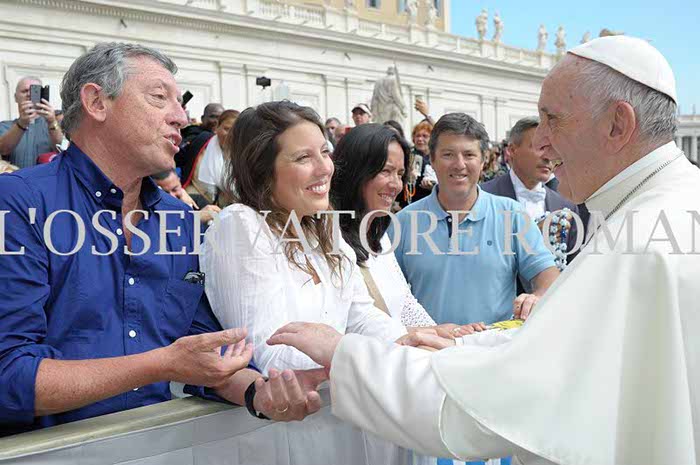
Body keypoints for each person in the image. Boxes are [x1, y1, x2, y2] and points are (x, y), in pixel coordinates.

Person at [268, 35, 700, 465]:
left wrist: (346, 356)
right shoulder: (662, 210)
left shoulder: (637, 244)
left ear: (617, 125)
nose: (541, 142)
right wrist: (458, 344)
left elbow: (505, 398)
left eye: (552, 119)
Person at [0, 43, 312, 436]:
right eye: (159, 98)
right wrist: (160, 364)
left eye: (180, 103)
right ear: (96, 102)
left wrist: (261, 392)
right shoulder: (19, 202)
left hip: (161, 447)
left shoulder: (178, 220)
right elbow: (9, 376)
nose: (180, 117)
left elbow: (201, 346)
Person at [201, 101, 409, 464]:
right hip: (286, 438)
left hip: (343, 422)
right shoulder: (240, 225)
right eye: (303, 158)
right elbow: (268, 350)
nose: (324, 168)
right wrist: (360, 356)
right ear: (263, 170)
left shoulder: (324, 224)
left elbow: (361, 314)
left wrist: (406, 343)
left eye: (325, 152)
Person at [392, 112, 559, 326]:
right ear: (432, 160)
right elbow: (385, 295)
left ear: (483, 160)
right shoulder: (403, 223)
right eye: (448, 154)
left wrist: (538, 296)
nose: (459, 164)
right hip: (428, 345)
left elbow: (547, 275)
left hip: (493, 344)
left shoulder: (512, 215)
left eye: (469, 155)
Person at [481, 117, 581, 267]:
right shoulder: (483, 197)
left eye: (552, 148)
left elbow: (573, 268)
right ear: (512, 150)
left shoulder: (567, 206)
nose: (548, 157)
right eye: (540, 147)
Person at [0, 77, 64, 169]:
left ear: (42, 95)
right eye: (25, 91)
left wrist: (52, 122)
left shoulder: (55, 125)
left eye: (35, 91)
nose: (29, 94)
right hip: (14, 177)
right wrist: (21, 123)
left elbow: (64, 150)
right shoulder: (4, 126)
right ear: (15, 97)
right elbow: (3, 150)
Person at [191, 109, 239, 205]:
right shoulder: (202, 144)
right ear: (217, 127)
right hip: (202, 198)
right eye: (227, 129)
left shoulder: (245, 152)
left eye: (235, 131)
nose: (230, 135)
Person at [151, 168, 221, 225]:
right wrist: (195, 219)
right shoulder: (153, 213)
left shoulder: (198, 202)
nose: (172, 196)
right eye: (165, 193)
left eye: (175, 189)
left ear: (179, 181)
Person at [401, 120, 436, 206]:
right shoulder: (408, 155)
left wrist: (433, 186)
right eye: (418, 136)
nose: (420, 139)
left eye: (425, 136)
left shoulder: (437, 157)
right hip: (411, 203)